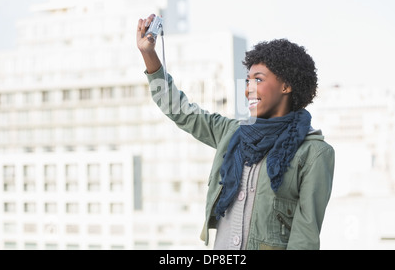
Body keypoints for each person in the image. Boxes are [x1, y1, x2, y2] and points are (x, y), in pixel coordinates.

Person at [136, 14, 335, 250]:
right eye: (247, 81)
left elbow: (305, 238)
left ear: (286, 86)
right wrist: (148, 53)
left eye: (258, 80)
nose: (248, 90)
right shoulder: (233, 133)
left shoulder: (315, 154)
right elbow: (179, 110)